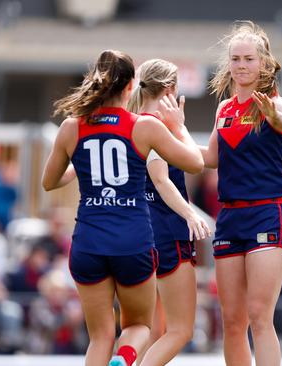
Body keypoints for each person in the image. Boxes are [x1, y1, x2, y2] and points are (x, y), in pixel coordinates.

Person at [41, 49, 203, 366]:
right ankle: (126, 358)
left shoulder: (72, 128)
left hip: (87, 243)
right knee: (138, 326)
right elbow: (196, 163)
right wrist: (179, 126)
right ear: (131, 86)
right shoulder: (143, 126)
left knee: (100, 336)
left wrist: (82, 166)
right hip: (133, 242)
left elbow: (49, 182)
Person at [199, 21, 282, 365]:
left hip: (267, 212)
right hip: (230, 216)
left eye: (249, 58)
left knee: (260, 316)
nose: (241, 65)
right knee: (233, 321)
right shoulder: (224, 109)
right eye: (235, 59)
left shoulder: (277, 104)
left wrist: (279, 120)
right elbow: (209, 159)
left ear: (263, 63)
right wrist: (168, 137)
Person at [127, 58, 212, 366]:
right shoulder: (156, 127)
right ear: (169, 89)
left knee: (153, 331)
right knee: (180, 330)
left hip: (138, 233)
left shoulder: (132, 122)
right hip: (165, 231)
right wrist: (189, 214)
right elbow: (164, 178)